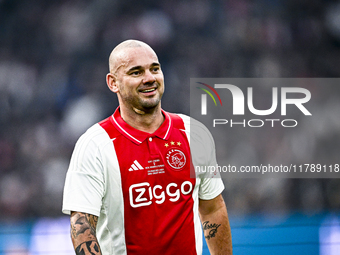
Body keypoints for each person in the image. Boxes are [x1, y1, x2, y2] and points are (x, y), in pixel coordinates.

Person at [62, 39, 232, 255]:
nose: (149, 78)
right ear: (113, 82)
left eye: (155, 69)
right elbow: (82, 226)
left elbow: (212, 208)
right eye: (136, 72)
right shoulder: (95, 144)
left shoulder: (193, 133)